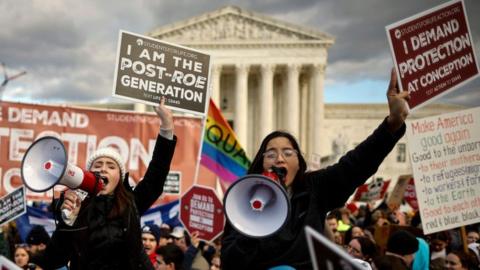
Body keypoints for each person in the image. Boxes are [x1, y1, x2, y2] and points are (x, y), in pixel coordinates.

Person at [221, 69, 410, 269]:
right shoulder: (242, 203)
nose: (279, 159)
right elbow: (230, 260)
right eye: (270, 154)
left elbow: (354, 165)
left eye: (287, 152)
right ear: (261, 164)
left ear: (299, 163)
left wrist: (393, 123)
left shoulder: (314, 188)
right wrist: (251, 228)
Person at [32, 97, 177, 270]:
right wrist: (67, 222)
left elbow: (157, 174)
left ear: (120, 176)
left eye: (111, 166)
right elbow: (53, 260)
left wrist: (167, 128)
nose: (103, 170)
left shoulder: (131, 202)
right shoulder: (78, 209)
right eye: (98, 165)